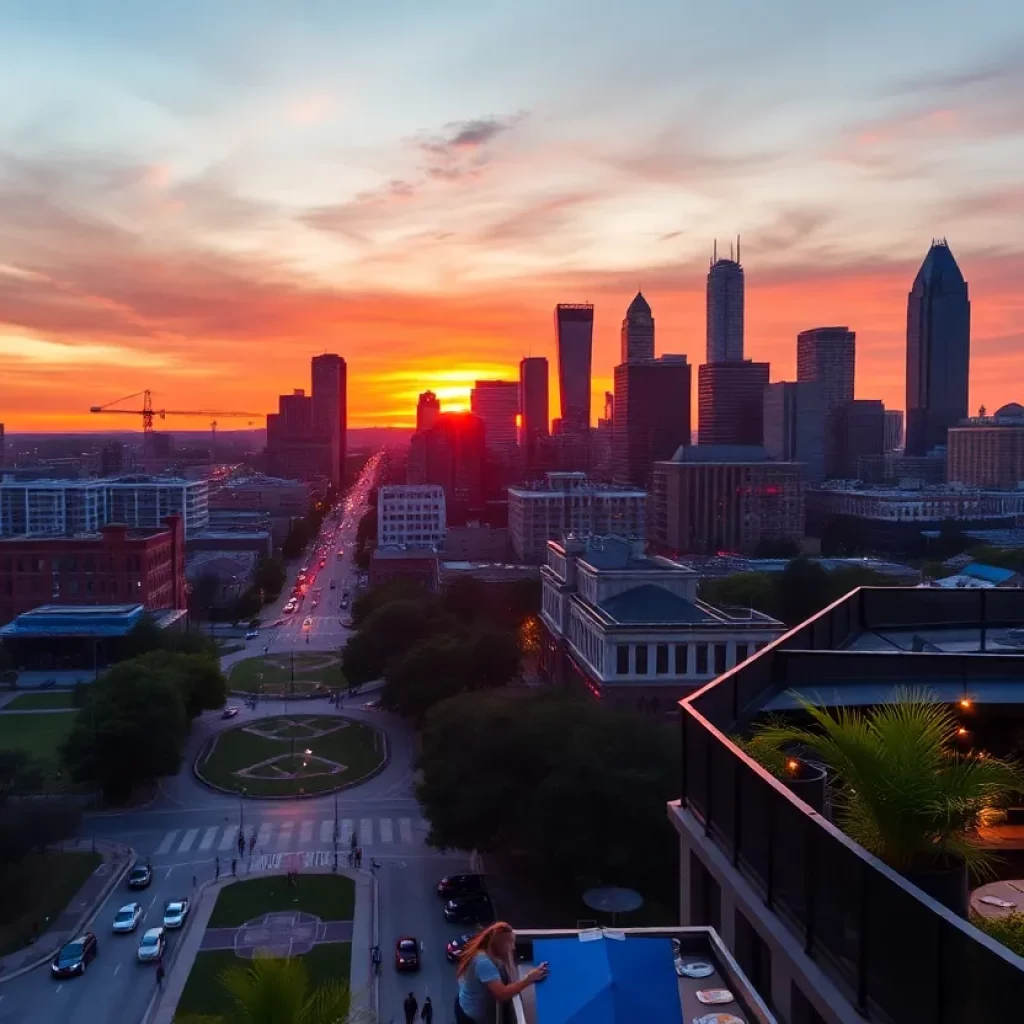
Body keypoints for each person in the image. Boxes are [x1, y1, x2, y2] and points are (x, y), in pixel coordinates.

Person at [455, 922, 548, 1024]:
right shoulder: (483, 962)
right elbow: (502, 994)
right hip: (471, 1018)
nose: (513, 947)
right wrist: (529, 979)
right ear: (499, 944)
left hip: (467, 1006)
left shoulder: (488, 952)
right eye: (510, 943)